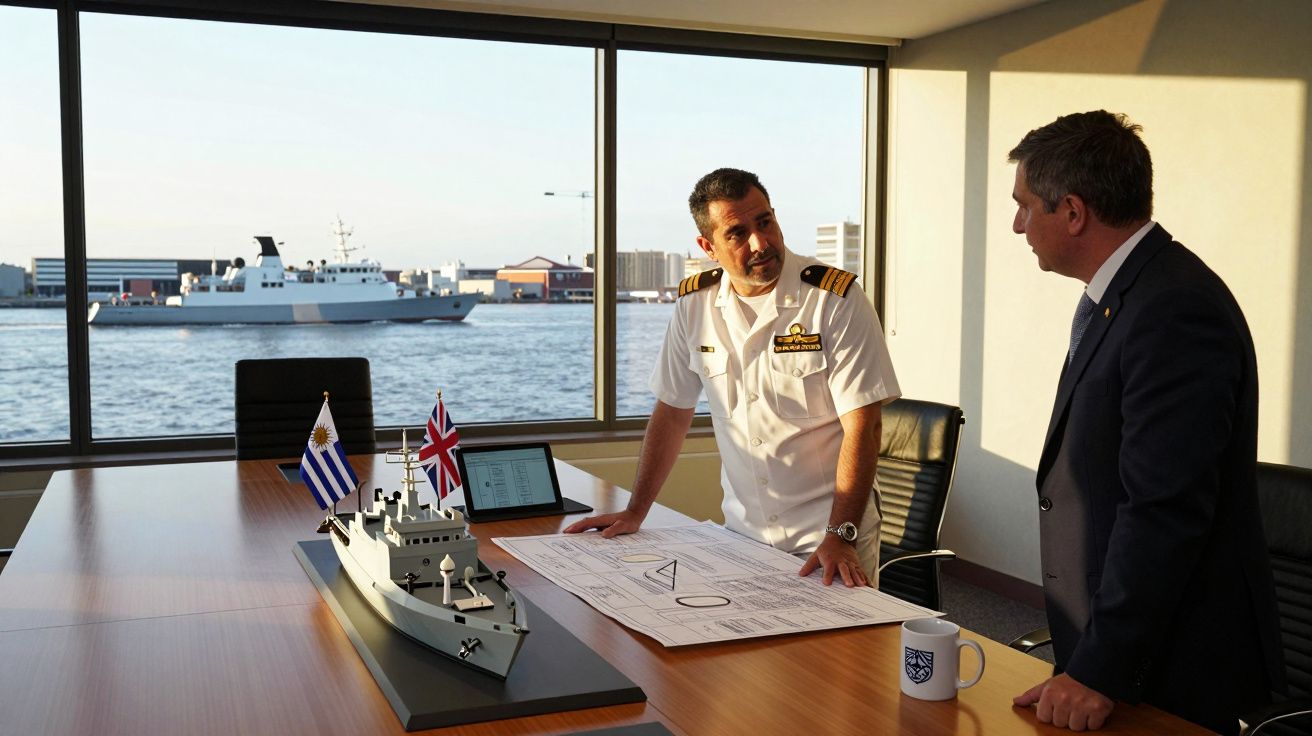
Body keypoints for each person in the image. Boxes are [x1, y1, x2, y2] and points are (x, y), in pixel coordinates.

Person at [1007, 111, 1284, 733]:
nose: (1018, 224)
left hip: (1170, 665)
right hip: (1124, 652)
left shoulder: (1174, 308)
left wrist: (1099, 667)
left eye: (1026, 206)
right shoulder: (1127, 295)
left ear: (1073, 212)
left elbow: (1164, 506)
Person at [563, 167, 900, 587]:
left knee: (840, 654)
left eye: (765, 222)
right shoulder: (695, 305)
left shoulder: (834, 300)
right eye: (737, 233)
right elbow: (671, 412)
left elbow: (863, 427)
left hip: (829, 538)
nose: (760, 242)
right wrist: (636, 511)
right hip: (742, 536)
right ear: (708, 246)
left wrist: (840, 535)